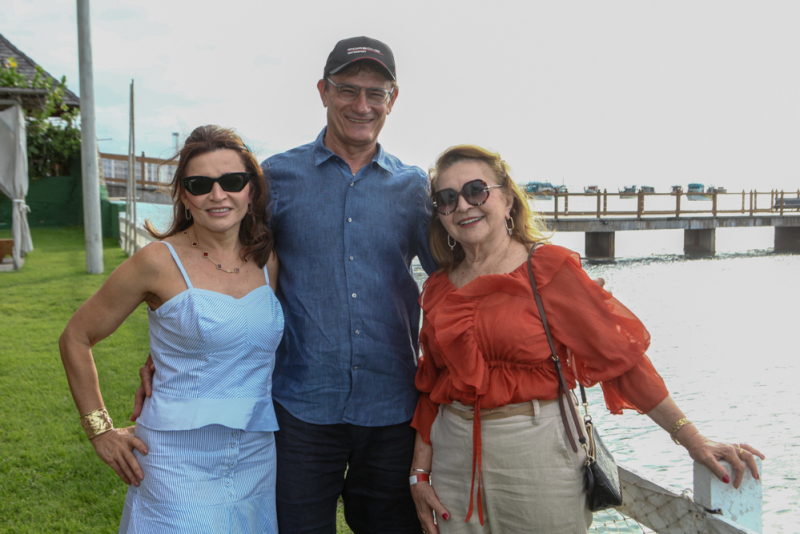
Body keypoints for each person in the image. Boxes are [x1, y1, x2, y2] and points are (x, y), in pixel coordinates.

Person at [408, 145, 765, 534]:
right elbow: (434, 385)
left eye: (476, 190)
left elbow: (623, 361)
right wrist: (419, 474)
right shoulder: (439, 287)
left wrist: (692, 439)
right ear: (440, 214)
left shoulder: (548, 268)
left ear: (507, 200)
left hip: (538, 453)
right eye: (447, 198)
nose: (462, 205)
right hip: (453, 460)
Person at [60, 125, 283, 533]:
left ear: (251, 190)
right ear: (183, 193)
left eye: (232, 181)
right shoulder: (156, 262)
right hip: (175, 461)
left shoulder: (267, 262)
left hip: (255, 454)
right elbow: (76, 337)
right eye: (201, 184)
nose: (218, 195)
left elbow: (238, 337)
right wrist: (100, 431)